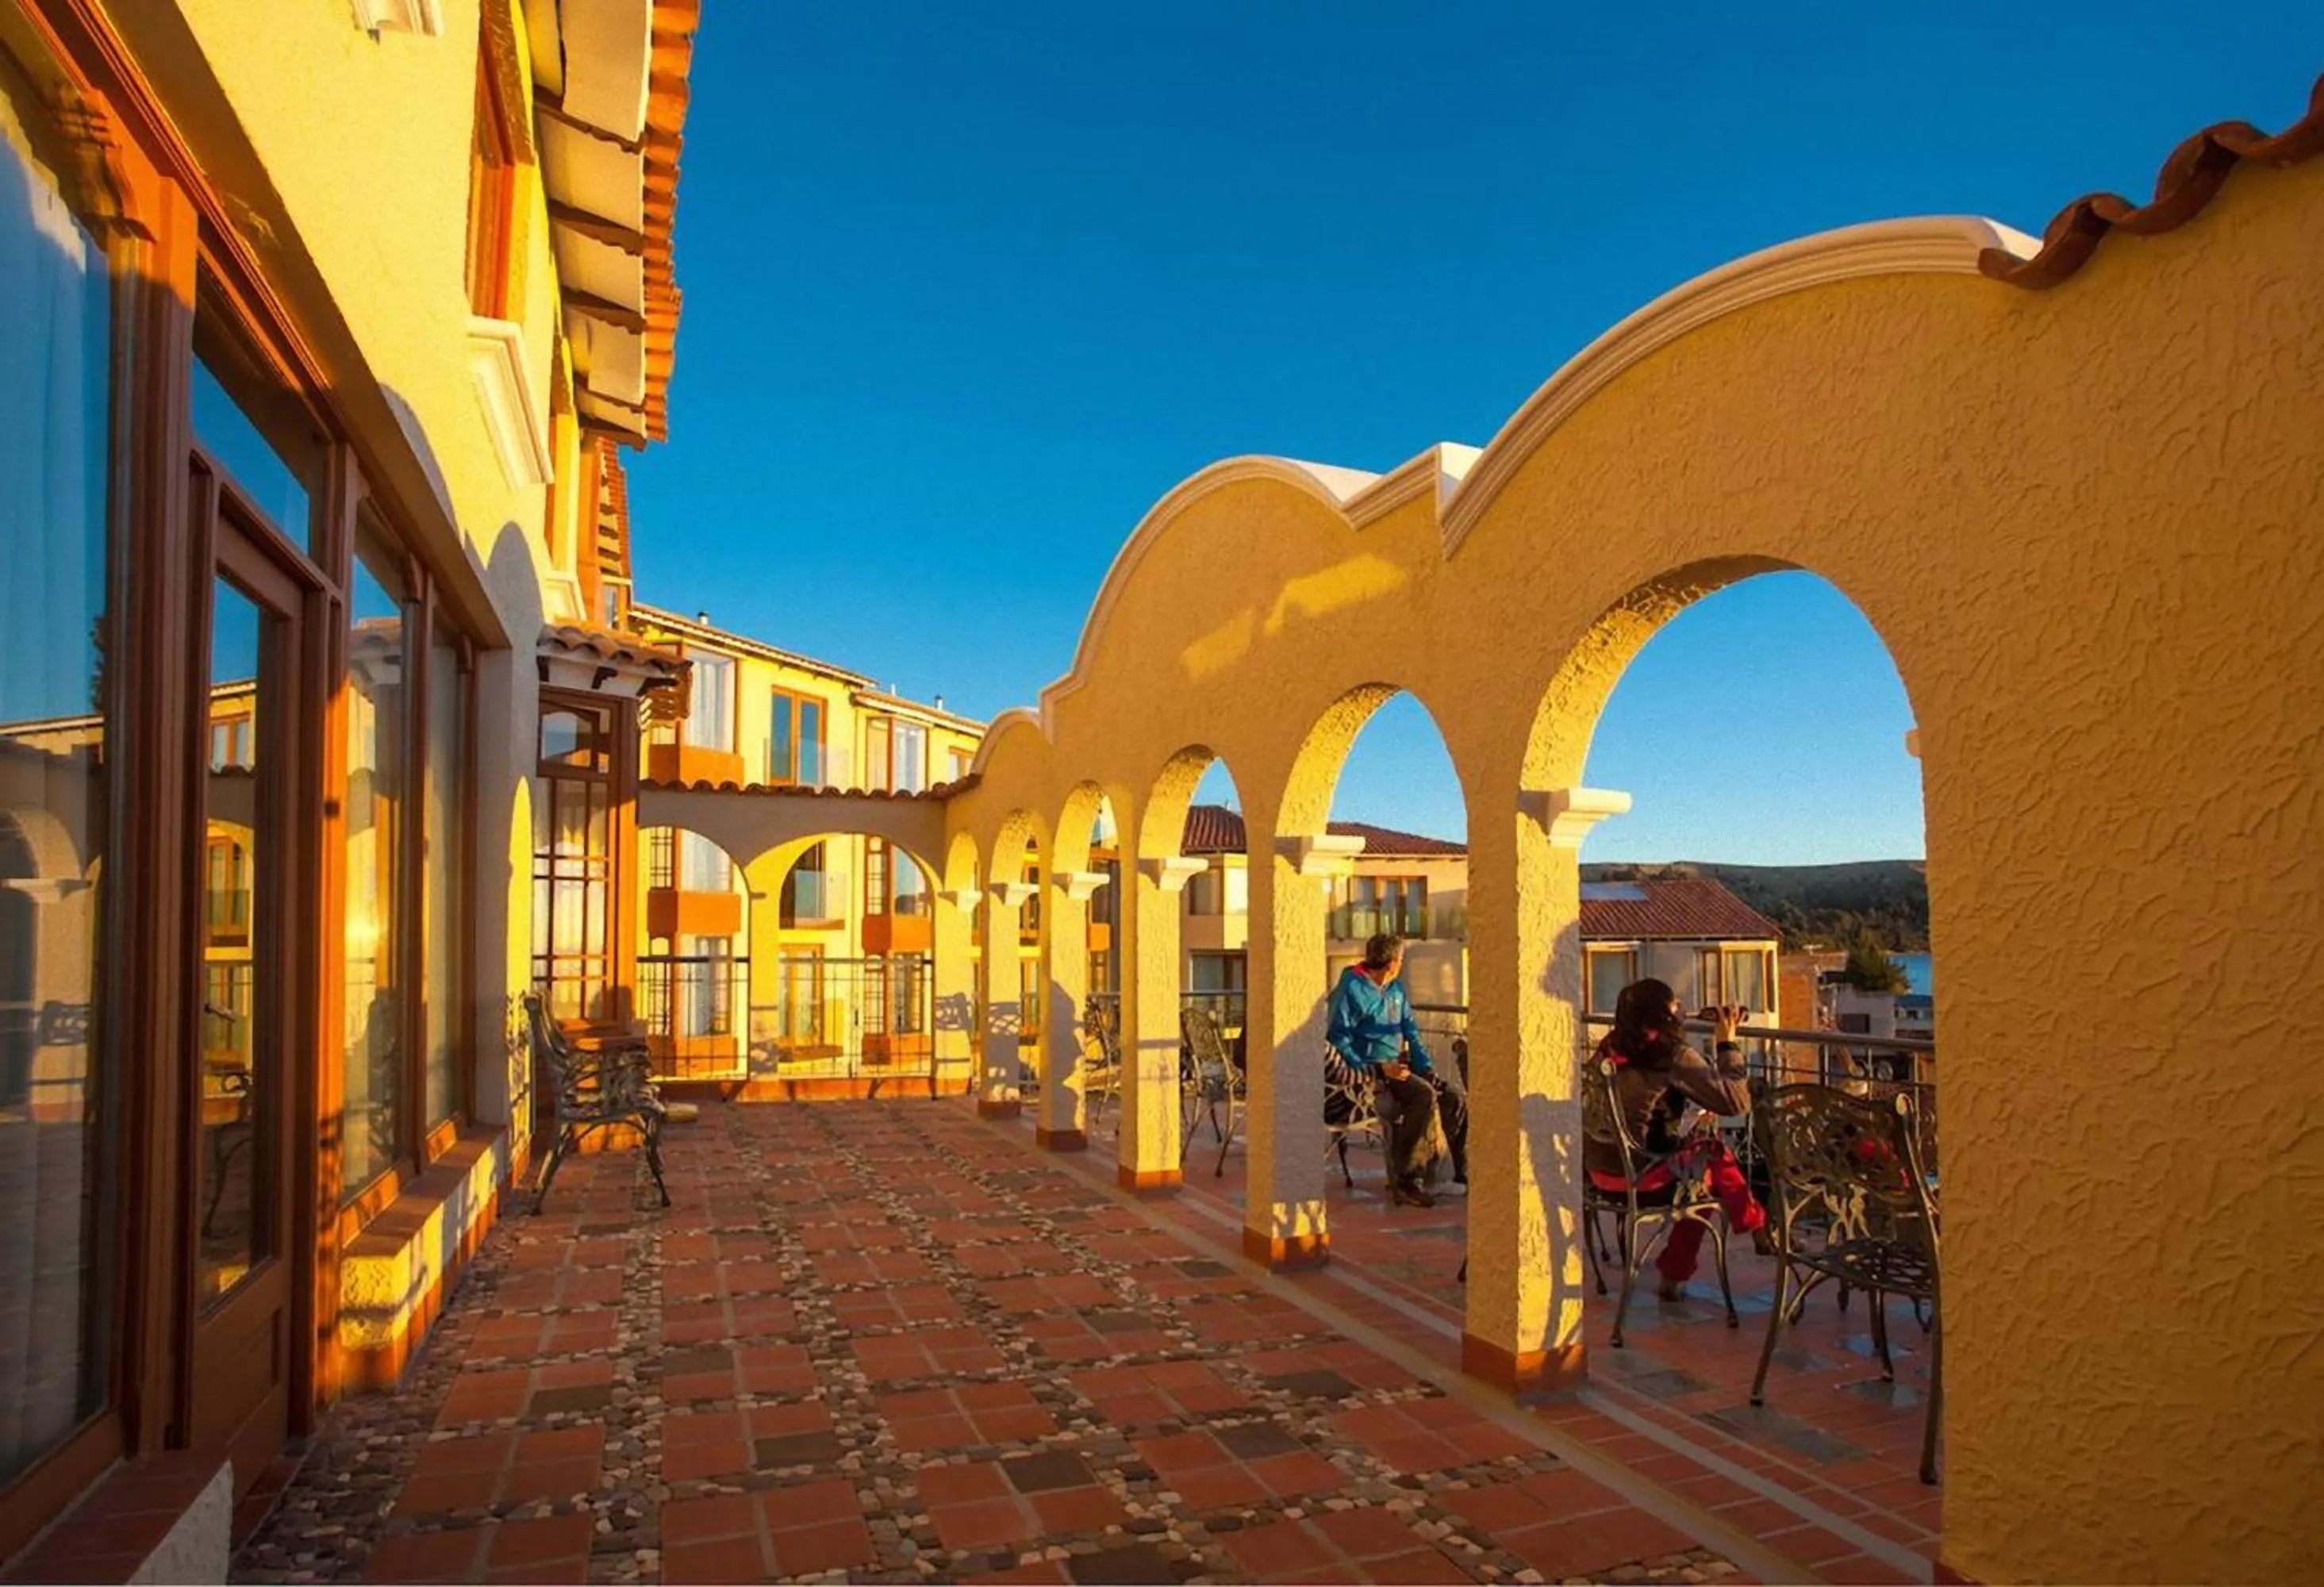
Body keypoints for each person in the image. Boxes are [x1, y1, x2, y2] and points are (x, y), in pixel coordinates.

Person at [1588, 978, 1770, 1300]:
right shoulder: (1672, 1054)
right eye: (1674, 1004)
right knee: (1709, 1166)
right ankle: (1747, 1233)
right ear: (1663, 1014)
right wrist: (1727, 1044)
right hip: (1642, 1180)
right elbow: (1736, 1103)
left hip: (1598, 1174)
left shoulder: (1609, 1046)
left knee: (1708, 1160)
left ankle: (1757, 1228)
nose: (1680, 1008)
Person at [1326, 933, 1468, 1207]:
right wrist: (1372, 1070)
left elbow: (1411, 1032)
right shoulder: (1351, 988)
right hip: (1373, 1070)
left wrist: (1425, 1068)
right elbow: (1338, 1037)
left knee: (1453, 1097)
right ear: (1392, 962)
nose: (1402, 963)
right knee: (1423, 1096)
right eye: (1401, 959)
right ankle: (1408, 1179)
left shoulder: (1396, 990)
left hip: (1397, 1064)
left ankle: (1458, 1174)